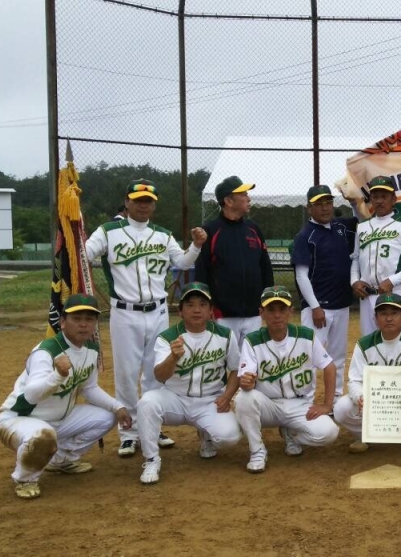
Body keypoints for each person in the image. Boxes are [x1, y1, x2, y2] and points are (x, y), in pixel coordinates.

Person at [85, 179, 206, 457]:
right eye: (137, 200)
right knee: (127, 374)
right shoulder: (108, 231)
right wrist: (73, 233)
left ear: (154, 205)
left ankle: (152, 427)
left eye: (148, 201)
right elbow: (85, 254)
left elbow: (182, 262)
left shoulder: (162, 234)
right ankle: (129, 433)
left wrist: (196, 246)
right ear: (126, 202)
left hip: (158, 311)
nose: (143, 205)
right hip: (125, 312)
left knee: (155, 374)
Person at [0, 294, 131, 499]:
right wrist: (57, 375)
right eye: (76, 318)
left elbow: (89, 388)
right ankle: (25, 479)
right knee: (43, 436)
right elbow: (31, 395)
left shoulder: (91, 350)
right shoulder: (46, 351)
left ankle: (62, 460)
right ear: (63, 322)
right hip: (19, 419)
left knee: (108, 415)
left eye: (89, 319)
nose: (83, 324)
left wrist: (117, 406)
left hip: (59, 419)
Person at [137, 282, 243, 484]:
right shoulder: (167, 337)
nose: (196, 310)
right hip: (175, 399)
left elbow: (236, 369)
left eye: (203, 304)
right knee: (147, 403)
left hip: (210, 400)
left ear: (211, 311)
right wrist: (173, 358)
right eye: (190, 304)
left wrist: (227, 395)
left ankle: (206, 436)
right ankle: (151, 459)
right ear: (180, 311)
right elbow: (159, 376)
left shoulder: (225, 335)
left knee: (229, 438)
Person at [234, 286, 339, 473]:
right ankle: (257, 451)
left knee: (329, 433)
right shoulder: (252, 340)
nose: (277, 315)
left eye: (282, 309)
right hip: (268, 405)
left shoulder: (306, 335)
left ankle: (292, 434)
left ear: (291, 311)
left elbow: (329, 367)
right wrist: (246, 382)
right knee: (243, 398)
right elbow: (246, 379)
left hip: (299, 404)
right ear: (261, 313)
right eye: (271, 310)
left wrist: (327, 405)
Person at [333, 293, 401, 455]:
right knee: (341, 409)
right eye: (383, 313)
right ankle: (365, 435)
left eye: (394, 313)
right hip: (376, 402)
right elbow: (354, 381)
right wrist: (359, 397)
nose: (389, 318)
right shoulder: (364, 344)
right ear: (376, 318)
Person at [291, 185, 358, 407]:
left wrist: (354, 201)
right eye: (319, 204)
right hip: (318, 308)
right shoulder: (305, 236)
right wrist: (314, 306)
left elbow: (361, 219)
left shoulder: (340, 227)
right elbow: (301, 275)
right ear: (309, 208)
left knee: (337, 356)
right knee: (309, 357)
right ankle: (305, 402)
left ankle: (336, 400)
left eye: (328, 202)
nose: (325, 208)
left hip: (341, 305)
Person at [195, 175, 274, 343]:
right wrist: (206, 306)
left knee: (252, 358)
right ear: (229, 201)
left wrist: (267, 301)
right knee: (225, 358)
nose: (248, 198)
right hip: (223, 314)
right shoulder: (210, 230)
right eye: (243, 194)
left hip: (254, 312)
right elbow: (202, 273)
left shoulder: (253, 229)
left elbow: (265, 267)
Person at [350, 175, 401, 336]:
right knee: (370, 343)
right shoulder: (362, 226)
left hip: (394, 292)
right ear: (371, 199)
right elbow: (355, 258)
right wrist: (354, 281)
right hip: (366, 296)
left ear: (393, 199)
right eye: (375, 196)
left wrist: (392, 280)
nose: (379, 201)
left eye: (384, 196)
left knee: (400, 341)